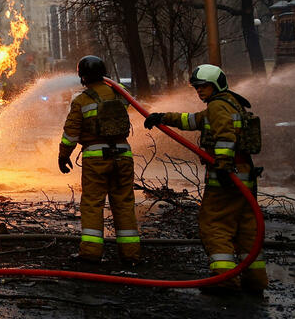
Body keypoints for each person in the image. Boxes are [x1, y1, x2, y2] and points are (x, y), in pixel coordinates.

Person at [144, 64, 266, 295]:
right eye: (197, 88)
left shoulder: (218, 106)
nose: (199, 91)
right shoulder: (229, 103)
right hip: (244, 175)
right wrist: (163, 118)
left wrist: (221, 164)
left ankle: (224, 280)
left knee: (215, 224)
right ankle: (255, 280)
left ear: (216, 85)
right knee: (246, 228)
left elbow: (225, 137)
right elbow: (192, 120)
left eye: (204, 87)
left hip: (227, 177)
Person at [58, 56, 140, 265]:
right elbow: (129, 102)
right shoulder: (119, 94)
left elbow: (71, 134)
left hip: (96, 159)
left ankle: (91, 253)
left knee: (93, 204)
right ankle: (130, 255)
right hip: (123, 156)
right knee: (124, 203)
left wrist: (63, 155)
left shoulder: (82, 101)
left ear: (82, 76)